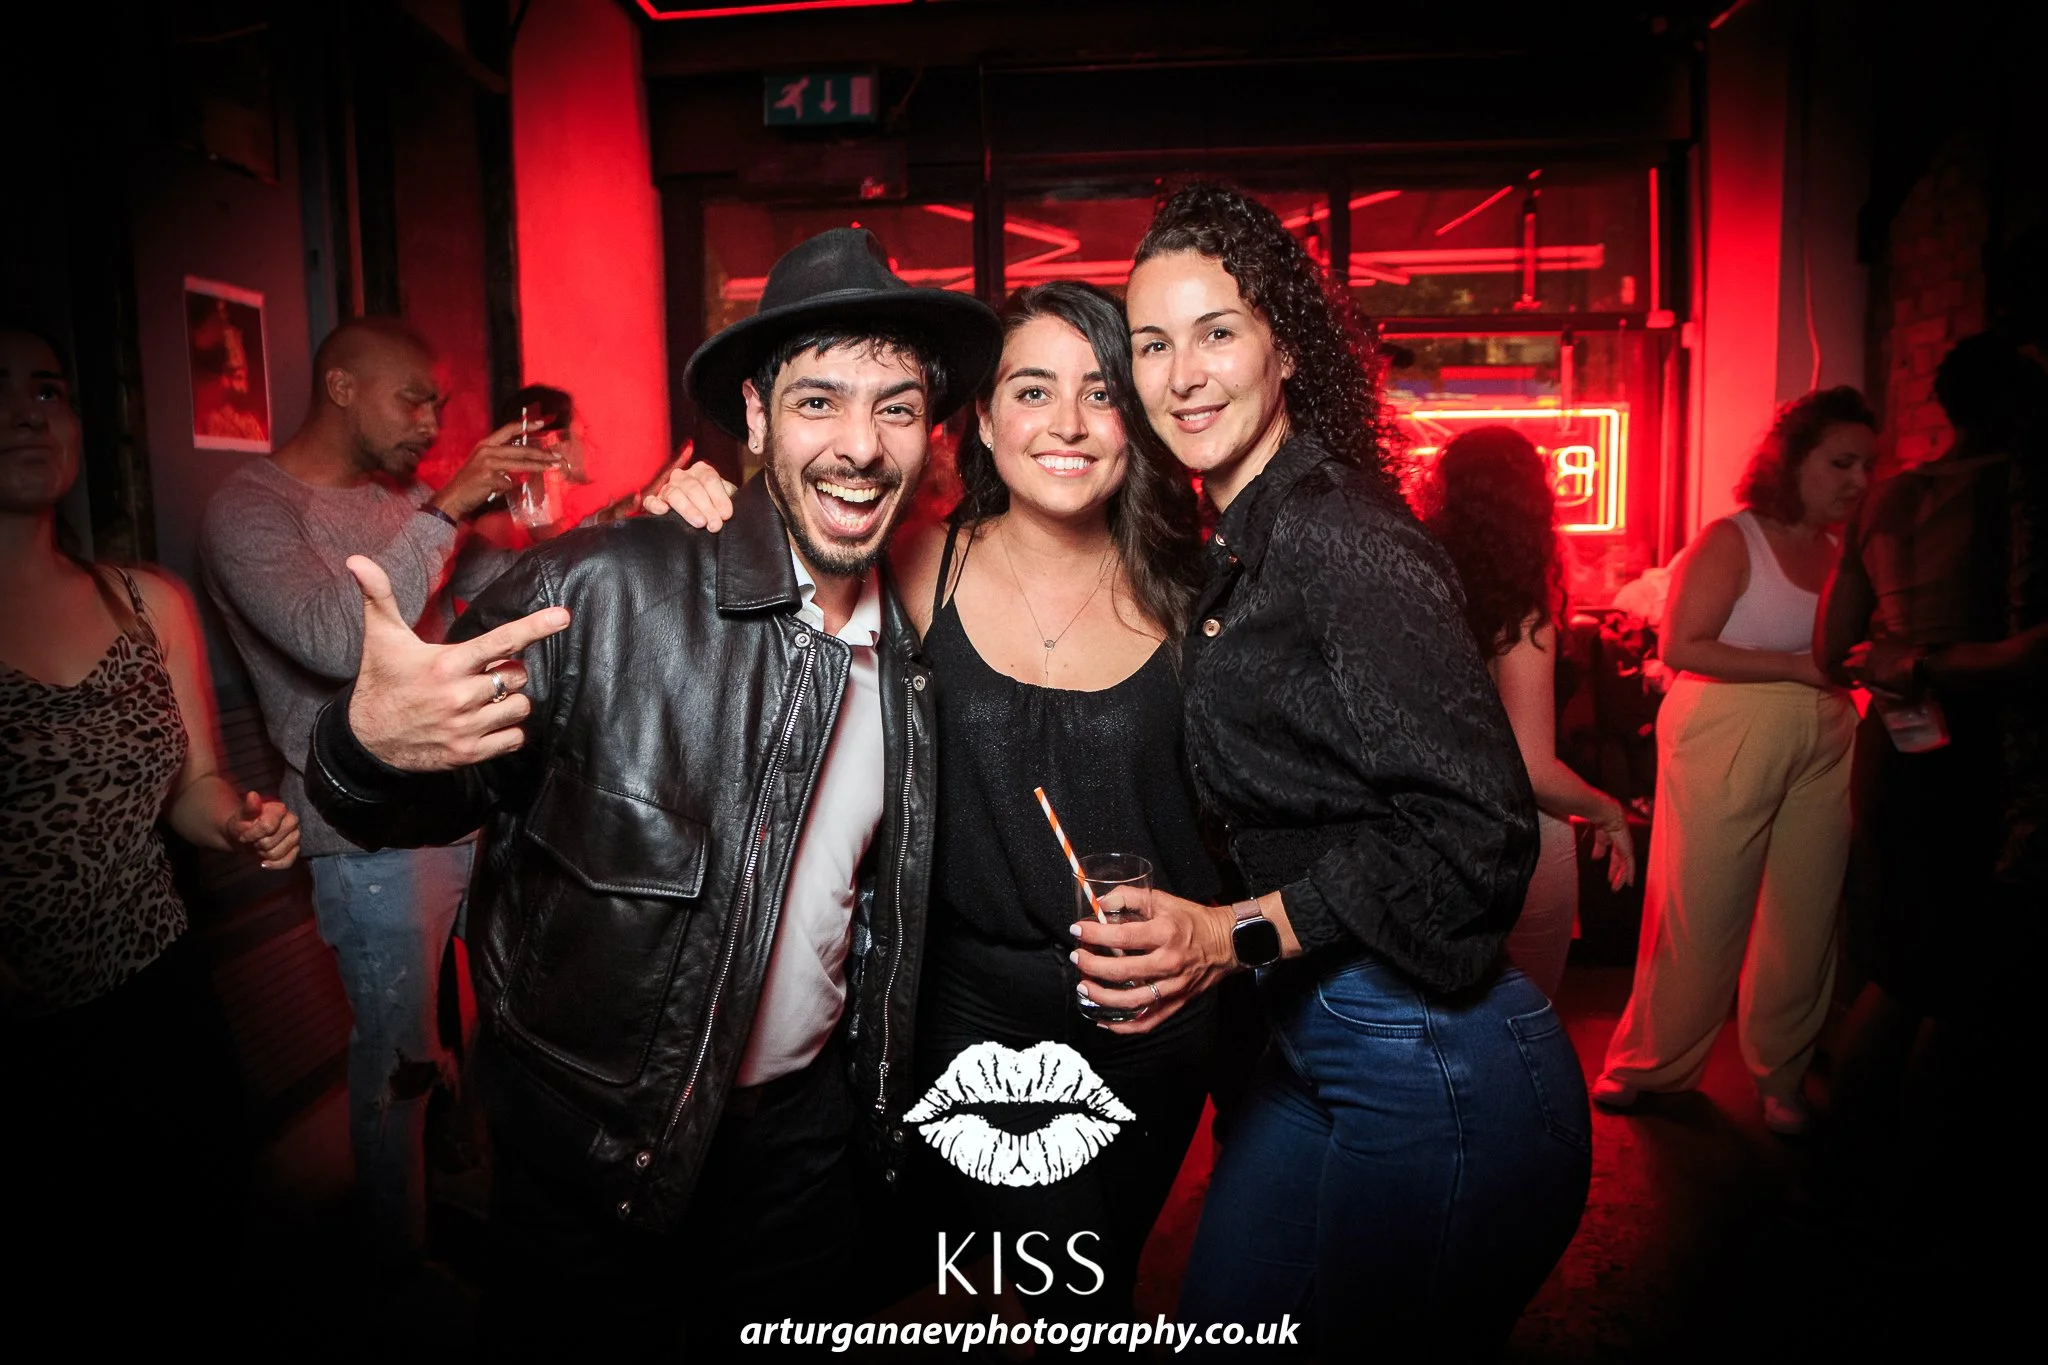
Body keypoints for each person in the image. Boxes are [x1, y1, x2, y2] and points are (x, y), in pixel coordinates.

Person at [302, 228, 1000, 1359]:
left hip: (804, 1161)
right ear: (756, 417)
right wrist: (364, 743)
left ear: (931, 435)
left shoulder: (916, 656)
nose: (860, 445)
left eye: (897, 407)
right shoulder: (604, 589)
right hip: (590, 1160)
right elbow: (391, 802)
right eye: (817, 401)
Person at [1070, 183, 1589, 1360]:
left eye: (1216, 332)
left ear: (1286, 349)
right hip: (1311, 1046)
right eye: (1152, 343)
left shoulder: (1340, 536)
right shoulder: (1247, 540)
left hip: (1436, 1068)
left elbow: (1477, 835)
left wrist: (1228, 934)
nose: (1182, 375)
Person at [650, 281, 1220, 1336]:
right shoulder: (917, 561)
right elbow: (774, 563)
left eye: (1100, 393)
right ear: (985, 424)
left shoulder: (1197, 595)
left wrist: (1221, 934)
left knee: (1104, 1276)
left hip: (1155, 1019)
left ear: (1133, 424)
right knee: (1058, 1294)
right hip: (974, 1014)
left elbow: (1263, 814)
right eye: (1032, 390)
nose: (1066, 423)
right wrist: (682, 509)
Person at [198, 317, 561, 1265]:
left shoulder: (400, 499)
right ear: (342, 386)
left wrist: (614, 520)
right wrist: (447, 507)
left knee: (502, 1021)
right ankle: (396, 1267)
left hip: (465, 803)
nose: (431, 421)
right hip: (365, 831)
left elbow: (509, 588)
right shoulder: (249, 510)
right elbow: (334, 637)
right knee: (402, 1057)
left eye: (438, 404)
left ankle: (472, 1188)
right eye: (413, 399)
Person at [0, 326, 299, 1345]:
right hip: (23, 1026)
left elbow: (193, 786)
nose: (26, 411)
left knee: (192, 1251)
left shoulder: (146, 602)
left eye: (47, 390)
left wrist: (243, 821)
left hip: (155, 994)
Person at [1593, 387, 1876, 1136]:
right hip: (1729, 723)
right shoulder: (1733, 537)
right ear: (1794, 460)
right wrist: (1801, 668)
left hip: (1828, 730)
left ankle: (1782, 1074)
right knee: (1701, 907)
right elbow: (1681, 646)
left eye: (1866, 465)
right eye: (1842, 462)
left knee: (1806, 912)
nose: (1859, 480)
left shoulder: (1842, 550)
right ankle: (1650, 1064)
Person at [1817, 336, 2048, 1146]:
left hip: (1892, 745)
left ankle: (1846, 1169)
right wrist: (1934, 657)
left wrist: (1895, 648)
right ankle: (1916, 1180)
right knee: (1960, 981)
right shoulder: (2019, 495)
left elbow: (1829, 649)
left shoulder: (1884, 499)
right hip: (1979, 746)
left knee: (1898, 965)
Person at [1416, 425, 1636, 999]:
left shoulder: (1420, 594)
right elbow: (1532, 769)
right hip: (1517, 836)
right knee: (1528, 1016)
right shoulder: (1518, 615)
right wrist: (1608, 812)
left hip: (1432, 829)